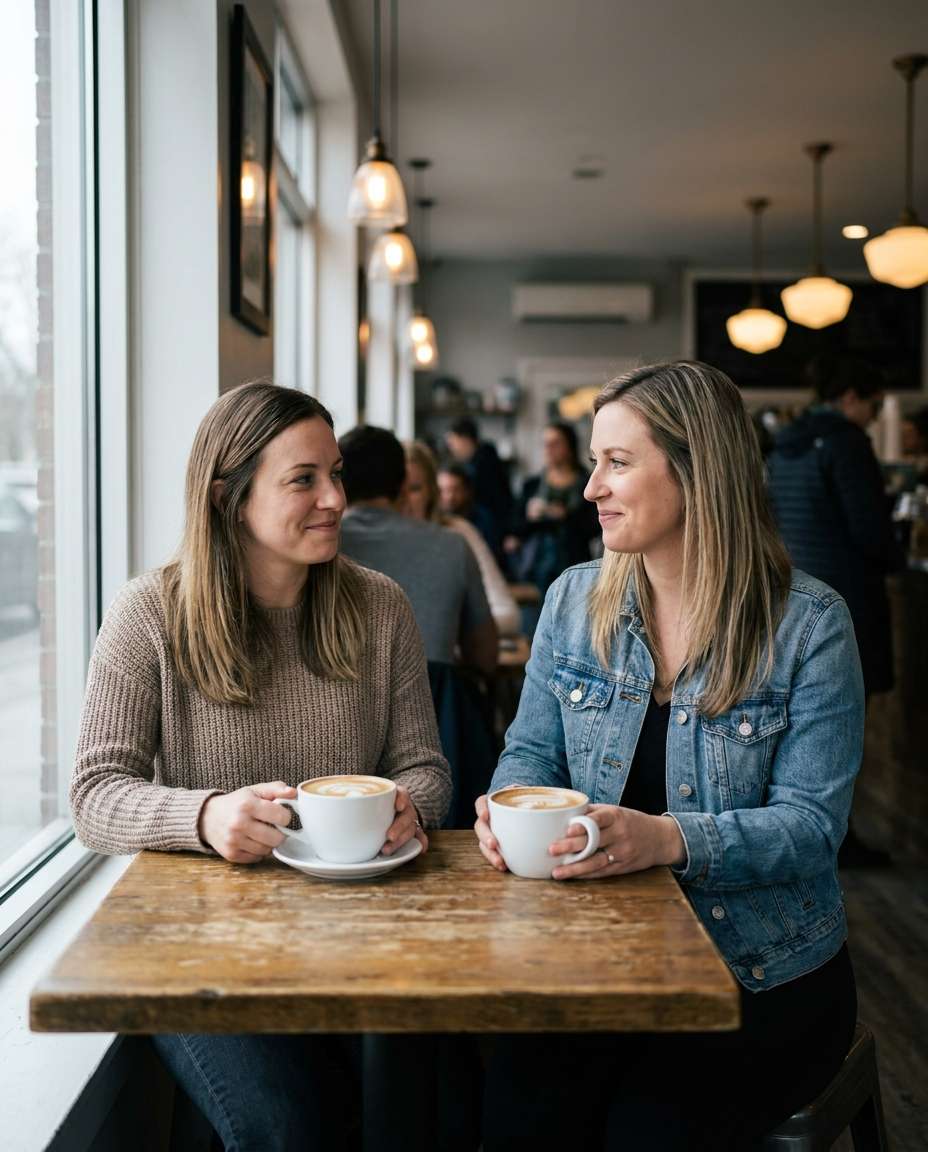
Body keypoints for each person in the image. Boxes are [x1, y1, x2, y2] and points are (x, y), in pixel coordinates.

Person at [474, 361, 862, 1151]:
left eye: (617, 463)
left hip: (759, 968)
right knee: (514, 1114)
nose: (591, 489)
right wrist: (507, 808)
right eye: (593, 463)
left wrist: (668, 838)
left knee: (643, 1134)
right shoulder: (574, 602)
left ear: (697, 471)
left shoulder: (810, 626)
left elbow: (812, 827)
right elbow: (528, 756)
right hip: (596, 962)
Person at [70, 382, 451, 1152]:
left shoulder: (381, 608)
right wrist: (205, 817)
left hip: (359, 940)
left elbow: (426, 768)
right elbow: (93, 794)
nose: (335, 500)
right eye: (303, 479)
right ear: (226, 497)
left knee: (415, 1117)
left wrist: (410, 806)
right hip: (199, 951)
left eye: (336, 473)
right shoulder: (149, 613)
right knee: (288, 1133)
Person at [766, 355, 902, 867]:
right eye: (870, 405)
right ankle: (834, 830)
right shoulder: (847, 445)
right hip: (849, 598)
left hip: (795, 598)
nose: (870, 415)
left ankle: (811, 822)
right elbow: (870, 531)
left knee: (807, 719)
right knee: (844, 718)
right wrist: (892, 555)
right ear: (850, 397)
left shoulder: (785, 446)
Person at [339, 425, 497, 680]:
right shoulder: (452, 545)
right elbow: (486, 657)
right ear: (402, 485)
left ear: (338, 481)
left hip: (342, 707)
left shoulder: (322, 547)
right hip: (435, 707)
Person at [403, 440, 520, 636]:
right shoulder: (368, 540)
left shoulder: (458, 532)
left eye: (414, 489)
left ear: (431, 492)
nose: (404, 499)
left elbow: (509, 615)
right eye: (396, 489)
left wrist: (449, 631)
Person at [503, 420, 599, 597]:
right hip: (535, 568)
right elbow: (515, 527)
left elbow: (595, 527)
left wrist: (565, 516)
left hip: (574, 565)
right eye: (545, 444)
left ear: (570, 446)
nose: (548, 449)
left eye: (555, 443)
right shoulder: (532, 485)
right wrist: (531, 517)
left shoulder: (589, 483)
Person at [444, 416, 513, 546]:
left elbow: (498, 502)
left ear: (465, 439)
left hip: (492, 529)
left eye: (453, 443)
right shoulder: (479, 461)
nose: (452, 449)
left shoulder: (484, 465)